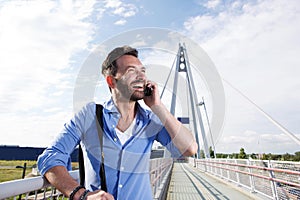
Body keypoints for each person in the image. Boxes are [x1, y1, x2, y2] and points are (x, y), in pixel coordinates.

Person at [37, 45, 198, 200]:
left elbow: (189, 148)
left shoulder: (151, 120)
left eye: (143, 71)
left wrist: (158, 107)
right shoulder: (89, 116)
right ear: (111, 81)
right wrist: (81, 194)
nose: (141, 76)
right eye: (131, 71)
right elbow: (50, 157)